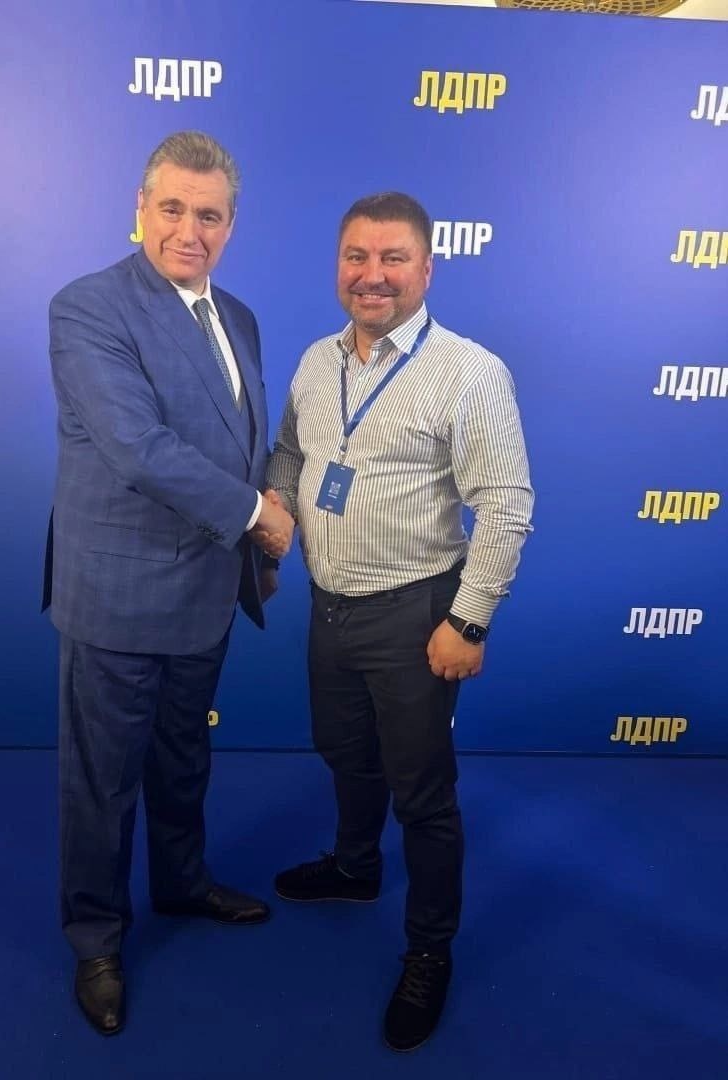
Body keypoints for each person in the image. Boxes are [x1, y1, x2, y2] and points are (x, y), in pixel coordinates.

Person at [266, 192, 533, 1052]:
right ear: (338, 264)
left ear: (426, 268)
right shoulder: (317, 360)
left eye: (392, 258)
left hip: (416, 614)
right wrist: (276, 518)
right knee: (344, 752)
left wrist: (469, 621)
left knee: (422, 793)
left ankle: (429, 950)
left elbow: (507, 507)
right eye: (356, 256)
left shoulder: (469, 372)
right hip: (329, 606)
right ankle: (354, 868)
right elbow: (292, 451)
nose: (371, 275)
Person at [43, 130, 294, 1035]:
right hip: (117, 595)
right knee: (102, 782)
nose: (191, 230)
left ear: (231, 225)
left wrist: (261, 529)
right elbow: (138, 449)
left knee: (184, 760)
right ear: (141, 208)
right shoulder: (88, 307)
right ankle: (97, 940)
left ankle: (182, 884)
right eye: (174, 208)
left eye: (210, 215)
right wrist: (259, 515)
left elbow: (241, 440)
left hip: (205, 594)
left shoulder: (241, 317)